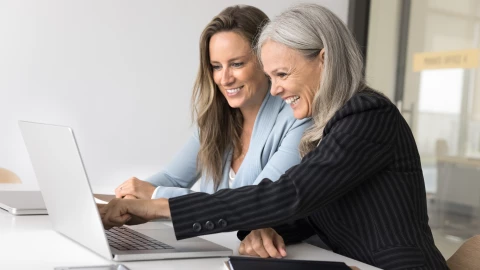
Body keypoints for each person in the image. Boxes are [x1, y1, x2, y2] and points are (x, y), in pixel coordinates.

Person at [101, 3, 448, 269]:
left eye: (282, 74)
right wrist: (267, 229)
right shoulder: (327, 123)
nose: (276, 89)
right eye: (272, 75)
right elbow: (308, 210)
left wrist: (157, 207)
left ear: (324, 61)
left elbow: (290, 194)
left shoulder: (367, 115)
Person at [114, 5, 310, 200]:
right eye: (216, 66)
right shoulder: (216, 120)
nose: (225, 79)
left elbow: (257, 202)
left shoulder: (298, 118)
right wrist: (131, 197)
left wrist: (156, 194)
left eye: (237, 64)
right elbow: (172, 178)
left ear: (265, 60)